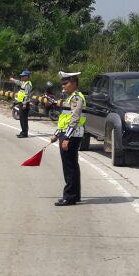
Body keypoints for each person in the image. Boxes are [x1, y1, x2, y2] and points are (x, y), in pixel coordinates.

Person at [48, 71, 86, 206]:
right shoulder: (70, 97)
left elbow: (74, 119)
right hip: (67, 134)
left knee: (69, 167)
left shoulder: (76, 98)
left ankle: (69, 197)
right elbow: (64, 119)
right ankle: (75, 195)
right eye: (62, 84)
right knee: (72, 166)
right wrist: (57, 134)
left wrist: (66, 138)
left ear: (74, 83)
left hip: (71, 135)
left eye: (66, 83)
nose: (63, 86)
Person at [9, 70, 34, 138]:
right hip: (21, 103)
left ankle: (25, 133)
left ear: (27, 77)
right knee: (21, 118)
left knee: (24, 119)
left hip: (24, 103)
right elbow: (18, 82)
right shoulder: (24, 83)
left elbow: (27, 95)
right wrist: (13, 79)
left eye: (23, 76)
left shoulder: (28, 84)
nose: (21, 77)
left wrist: (25, 103)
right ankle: (23, 131)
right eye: (21, 76)